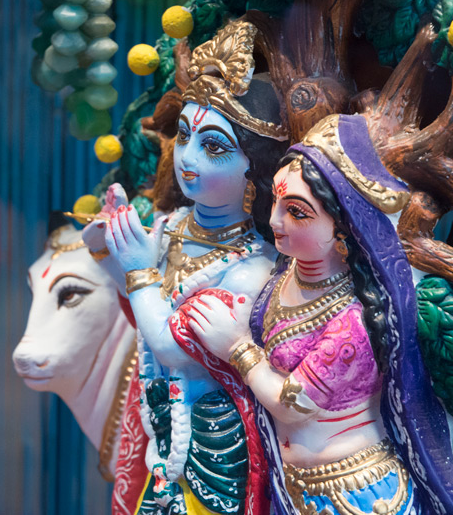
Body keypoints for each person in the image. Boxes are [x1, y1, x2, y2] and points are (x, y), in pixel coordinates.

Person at [182, 114, 453, 514]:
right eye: (275, 200)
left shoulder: (357, 320)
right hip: (293, 488)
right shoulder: (285, 272)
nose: (274, 220)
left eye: (297, 212)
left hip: (359, 496)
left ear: (343, 226)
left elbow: (291, 403)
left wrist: (237, 347)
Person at [90, 20, 289, 514]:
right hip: (158, 434)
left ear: (255, 168)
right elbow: (138, 303)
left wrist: (136, 268)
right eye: (184, 136)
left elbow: (172, 347)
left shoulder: (254, 268)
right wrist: (106, 247)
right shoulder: (173, 225)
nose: (188, 158)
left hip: (215, 450)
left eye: (214, 146)